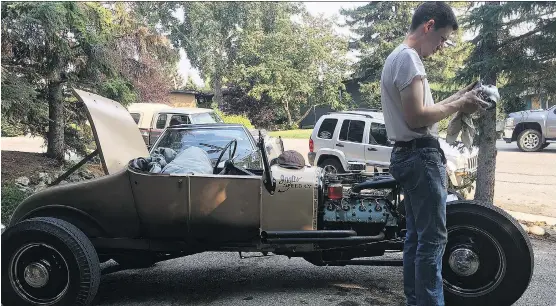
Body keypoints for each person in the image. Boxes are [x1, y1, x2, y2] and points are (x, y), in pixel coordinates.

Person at [379, 2, 487, 306]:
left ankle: (417, 301)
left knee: (416, 238)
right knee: (433, 241)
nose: (441, 47)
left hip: (407, 156)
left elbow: (422, 112)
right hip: (420, 158)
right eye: (441, 39)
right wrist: (457, 104)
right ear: (428, 26)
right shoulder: (409, 60)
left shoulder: (397, 58)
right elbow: (417, 118)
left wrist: (459, 97)